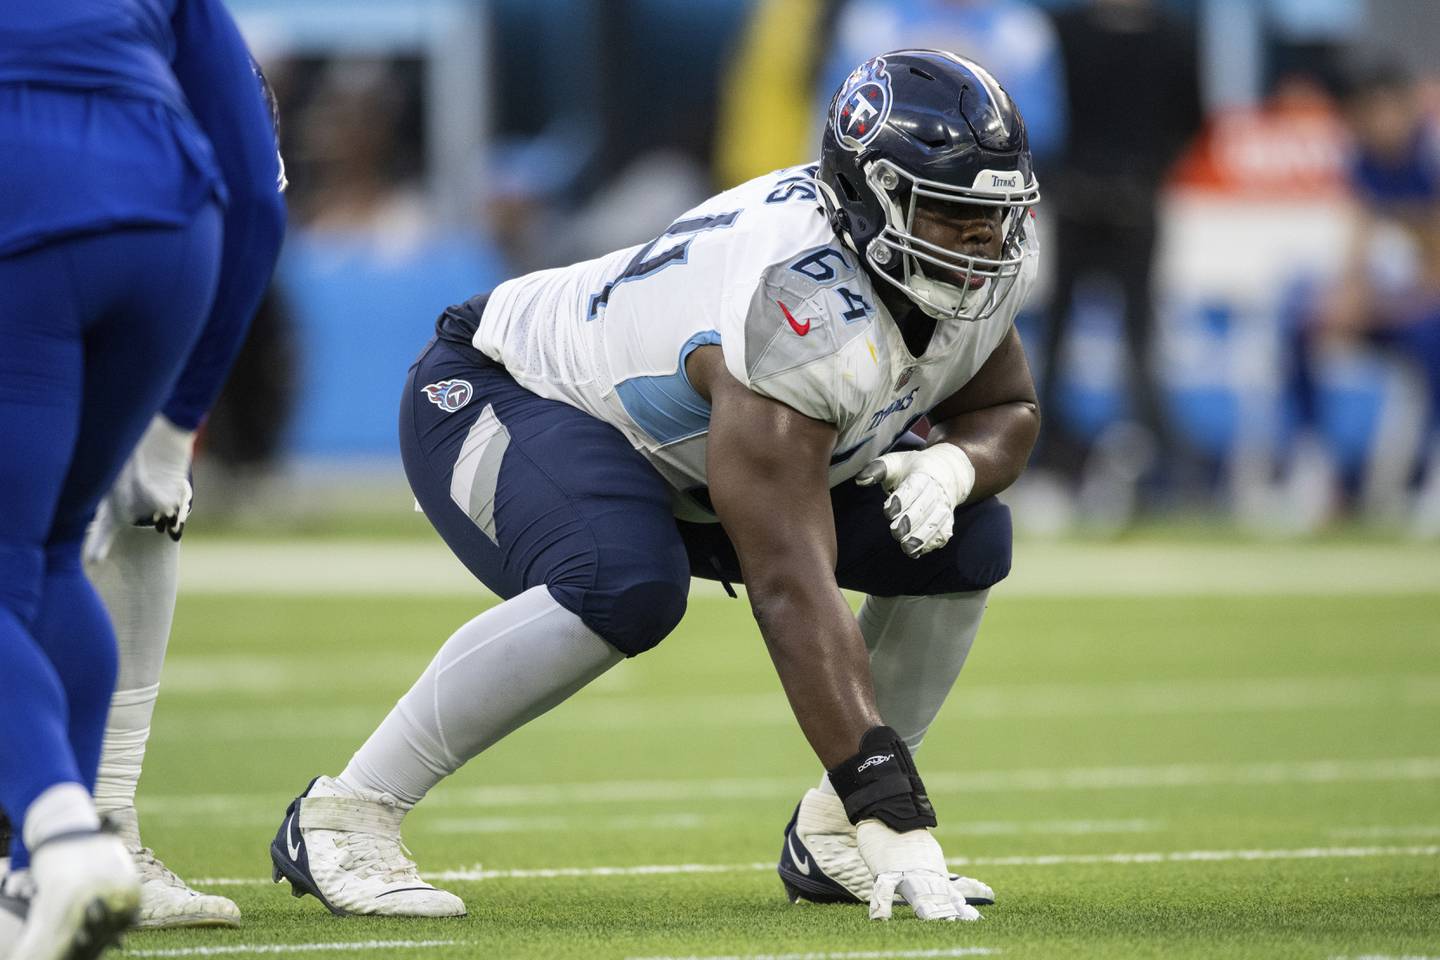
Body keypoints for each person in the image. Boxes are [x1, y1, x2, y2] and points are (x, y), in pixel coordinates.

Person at [270, 49, 1039, 923]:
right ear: (870, 197)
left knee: (968, 535)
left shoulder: (967, 261)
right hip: (505, 388)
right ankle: (346, 813)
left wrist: (952, 465)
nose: (981, 244)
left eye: (993, 217)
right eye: (948, 215)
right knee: (624, 580)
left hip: (688, 459)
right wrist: (893, 809)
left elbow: (1006, 405)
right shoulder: (793, 304)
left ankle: (830, 839)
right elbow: (790, 583)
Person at [0, 0, 286, 955]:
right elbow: (256, 188)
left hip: (23, 209)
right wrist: (179, 421)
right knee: (45, 556)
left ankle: (61, 834)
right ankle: (51, 871)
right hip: (176, 223)